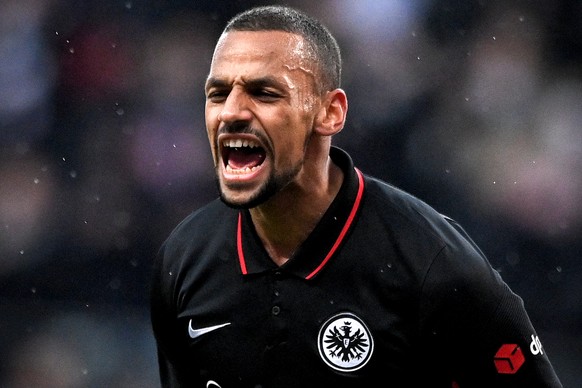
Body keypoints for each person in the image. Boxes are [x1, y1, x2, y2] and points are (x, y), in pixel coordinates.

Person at [150, 5, 563, 387]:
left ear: (330, 113)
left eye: (265, 93)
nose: (231, 112)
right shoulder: (184, 260)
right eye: (218, 94)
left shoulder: (433, 263)